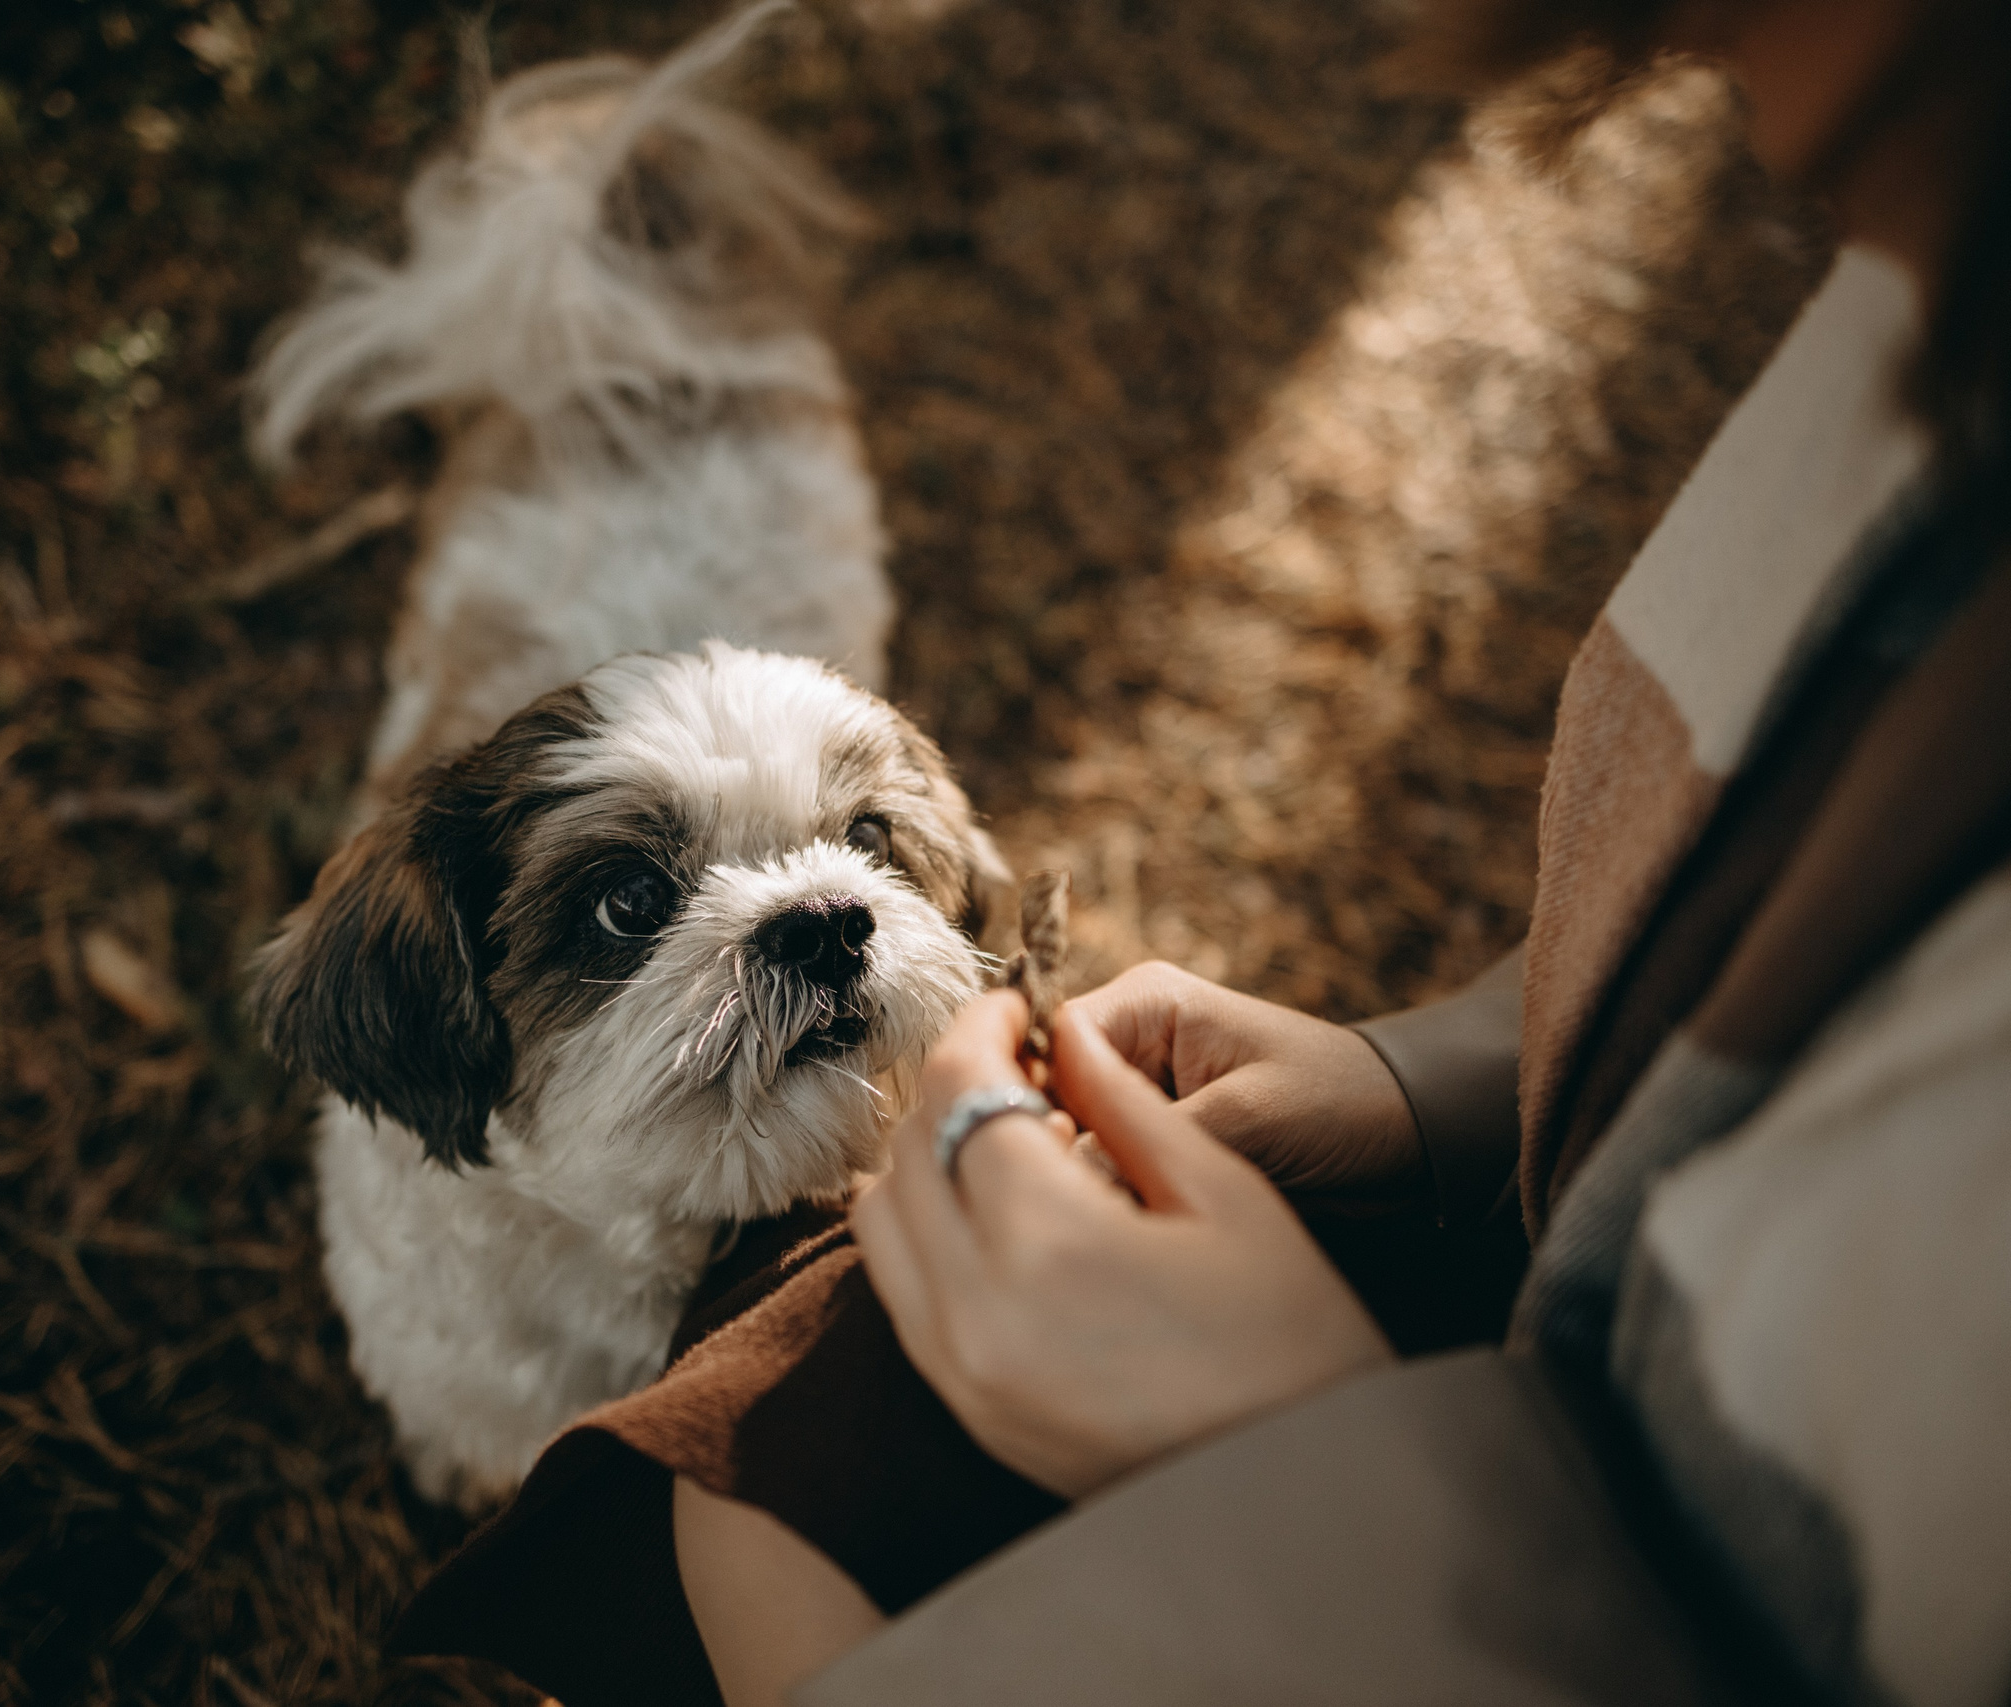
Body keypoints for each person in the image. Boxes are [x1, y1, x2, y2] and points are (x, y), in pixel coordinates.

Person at [393, 0, 2011, 1701]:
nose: (1750, 141)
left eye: (869, 846)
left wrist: (1297, 1453)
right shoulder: (1916, 304)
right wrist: (1439, 1073)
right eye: (639, 901)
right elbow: (1771, 899)